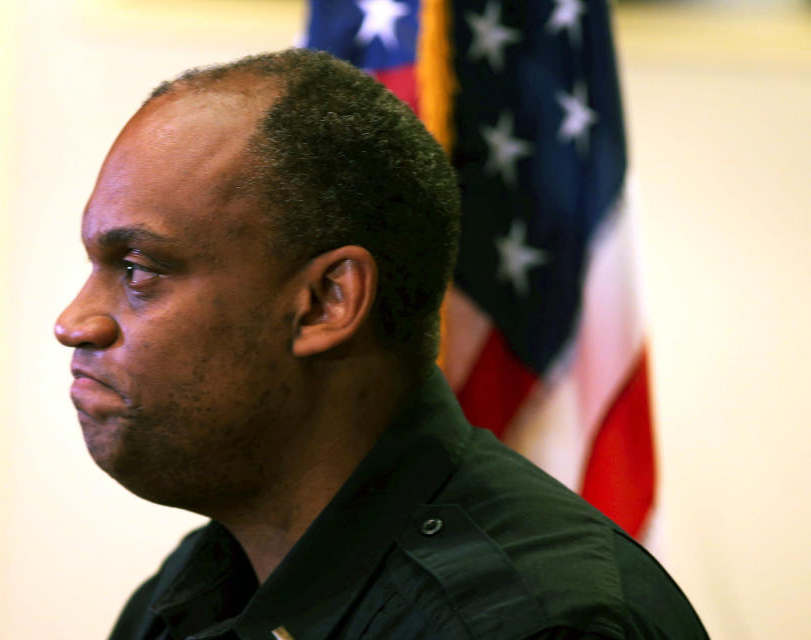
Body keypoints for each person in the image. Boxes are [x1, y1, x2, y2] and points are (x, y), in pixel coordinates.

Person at [54, 49, 708, 640]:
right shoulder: (185, 598)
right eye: (94, 267)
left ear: (325, 302)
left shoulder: (535, 624)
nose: (74, 322)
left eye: (138, 270)